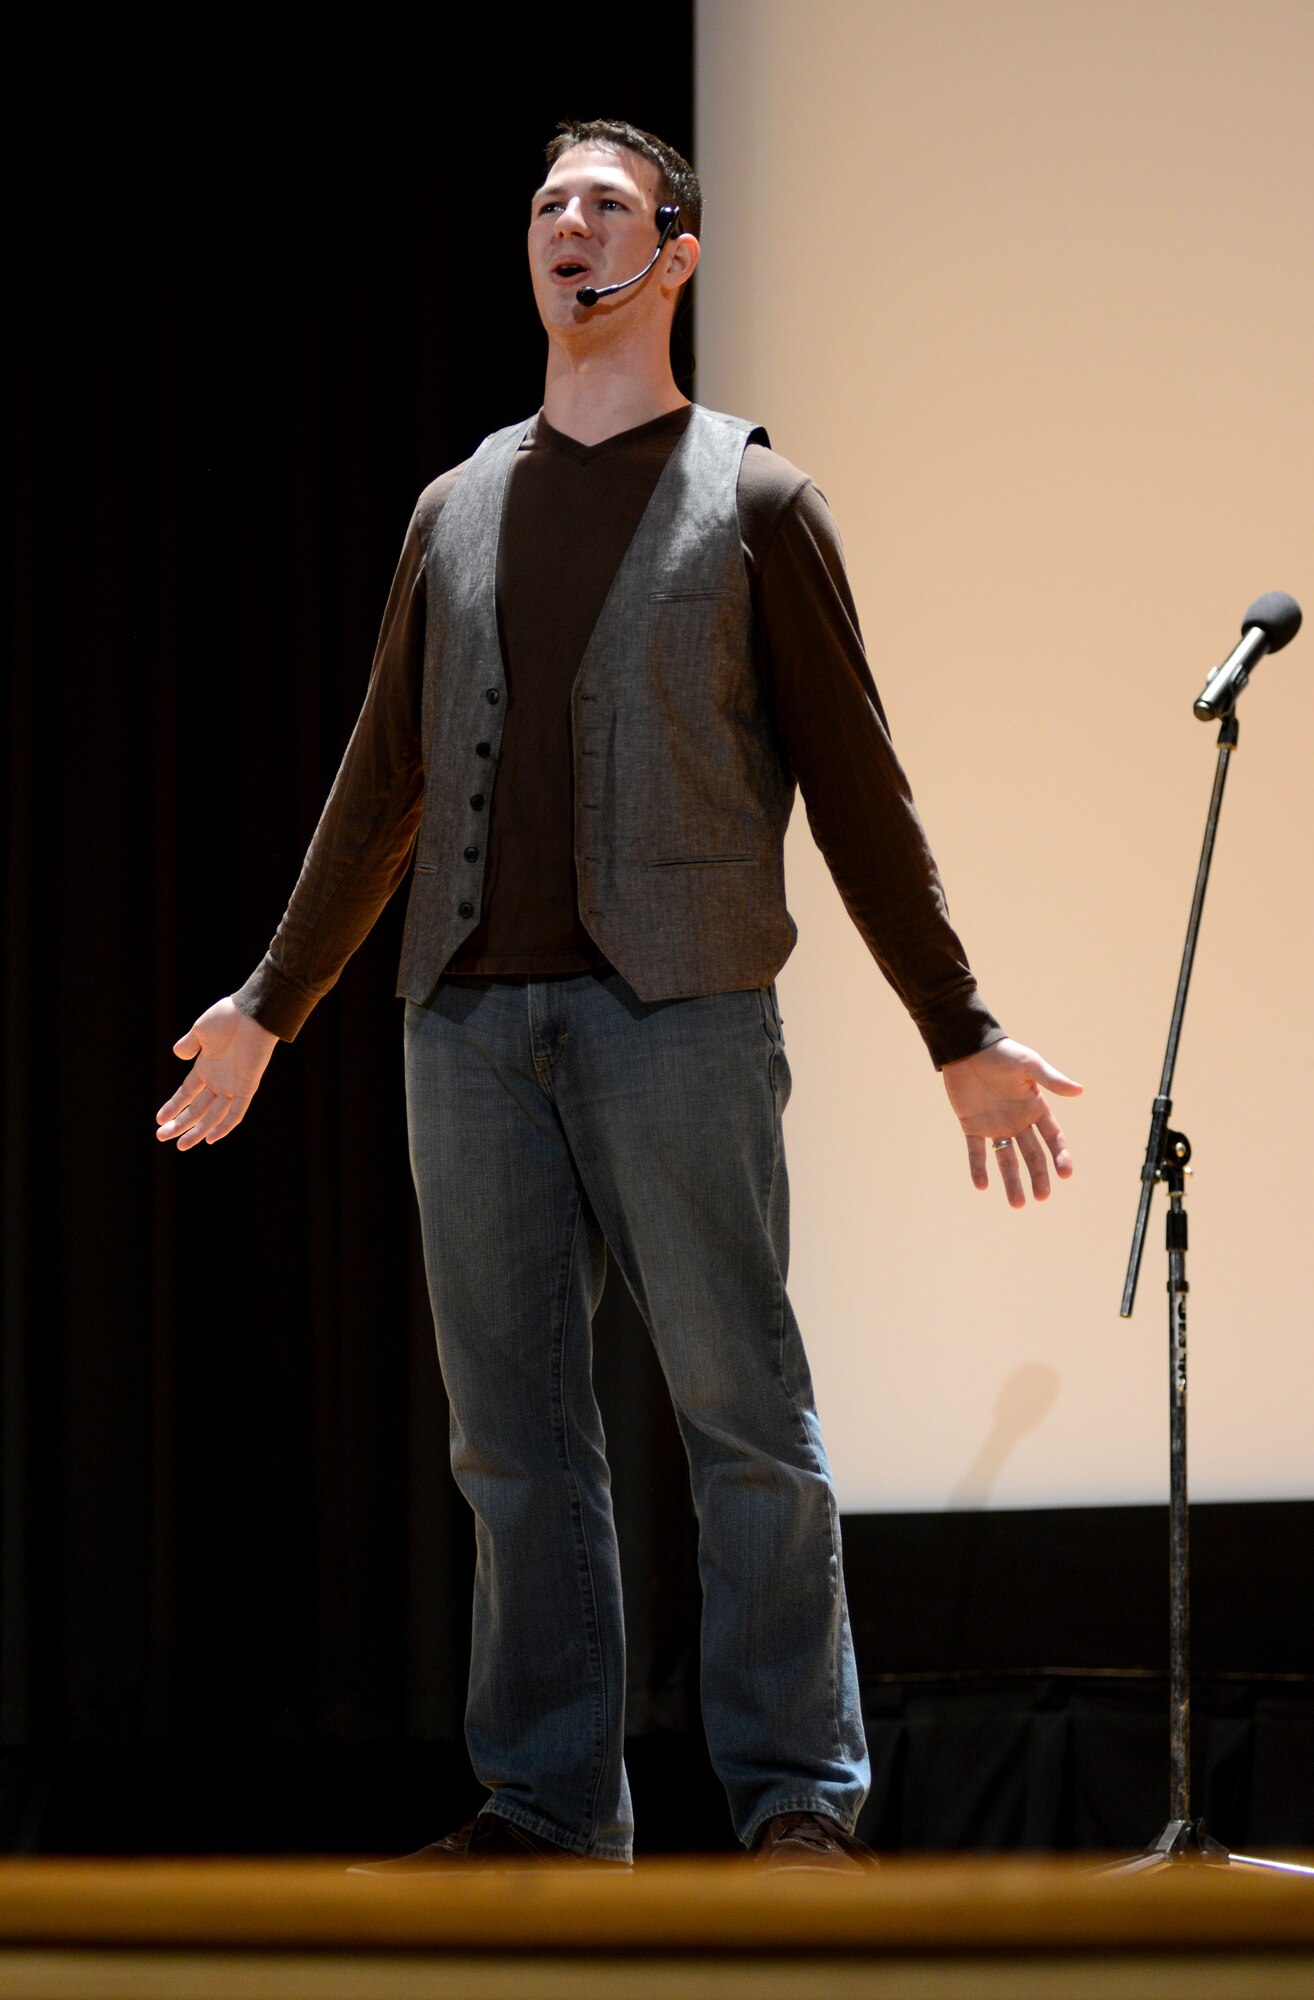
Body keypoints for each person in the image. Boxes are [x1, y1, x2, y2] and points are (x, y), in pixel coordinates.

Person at [156, 119, 1080, 1871]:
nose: (569, 228)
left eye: (606, 205)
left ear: (678, 252)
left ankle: (801, 1806)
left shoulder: (754, 500)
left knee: (744, 1417)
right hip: (467, 1028)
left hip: (681, 1016)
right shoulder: (458, 506)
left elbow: (858, 792)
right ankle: (550, 1808)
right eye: (547, 205)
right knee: (511, 1443)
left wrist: (956, 1028)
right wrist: (275, 1001)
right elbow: (383, 780)